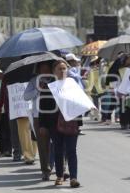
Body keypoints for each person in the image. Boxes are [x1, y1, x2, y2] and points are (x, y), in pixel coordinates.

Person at [39, 60, 80, 188]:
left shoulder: (72, 86)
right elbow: (43, 107)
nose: (62, 71)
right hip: (54, 123)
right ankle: (60, 176)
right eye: (59, 69)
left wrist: (79, 123)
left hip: (71, 122)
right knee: (58, 150)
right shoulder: (48, 87)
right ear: (53, 72)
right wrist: (43, 126)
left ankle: (73, 177)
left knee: (71, 150)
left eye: (64, 69)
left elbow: (80, 103)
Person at [24, 61, 53, 180]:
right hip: (38, 116)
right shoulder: (34, 80)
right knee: (42, 144)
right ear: (38, 70)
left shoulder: (56, 78)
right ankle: (45, 170)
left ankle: (60, 168)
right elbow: (26, 97)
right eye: (42, 69)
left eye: (47, 68)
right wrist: (37, 89)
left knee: (58, 143)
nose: (45, 71)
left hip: (54, 114)